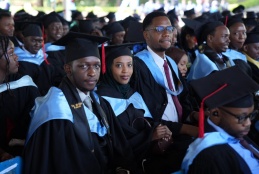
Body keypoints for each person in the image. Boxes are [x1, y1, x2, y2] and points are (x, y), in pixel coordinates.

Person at [23, 32, 138, 174]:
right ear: (68, 69)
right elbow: (61, 163)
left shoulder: (99, 101)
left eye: (96, 66)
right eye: (84, 66)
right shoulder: (56, 110)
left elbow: (119, 145)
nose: (92, 73)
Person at [97, 44, 186, 173]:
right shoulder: (102, 99)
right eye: (118, 65)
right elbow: (114, 144)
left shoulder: (133, 93)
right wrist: (149, 138)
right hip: (129, 164)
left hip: (149, 154)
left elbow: (146, 122)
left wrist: (160, 129)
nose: (125, 71)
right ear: (109, 67)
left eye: (129, 65)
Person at [130, 11, 198, 172]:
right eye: (159, 29)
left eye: (170, 28)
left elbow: (182, 99)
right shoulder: (138, 66)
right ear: (146, 34)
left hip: (180, 134)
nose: (167, 33)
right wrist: (187, 129)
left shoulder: (172, 64)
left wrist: (193, 115)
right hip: (161, 141)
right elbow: (147, 113)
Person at [182, 66, 259, 174]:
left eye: (251, 115)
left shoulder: (235, 132)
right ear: (216, 113)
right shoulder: (210, 155)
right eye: (242, 117)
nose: (248, 123)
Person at [0, 36, 40, 161]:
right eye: (11, 53)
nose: (16, 57)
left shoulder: (25, 86)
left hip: (20, 156)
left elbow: (35, 125)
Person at [14, 22, 53, 95]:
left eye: (40, 41)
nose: (37, 44)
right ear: (24, 39)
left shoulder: (44, 57)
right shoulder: (16, 57)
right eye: (33, 40)